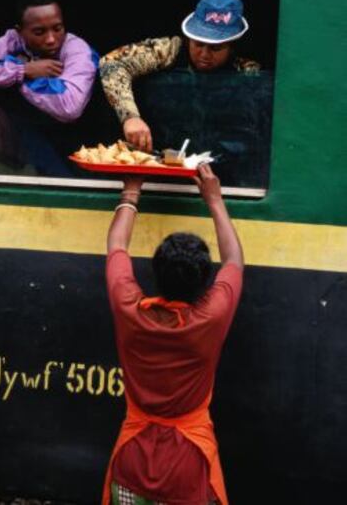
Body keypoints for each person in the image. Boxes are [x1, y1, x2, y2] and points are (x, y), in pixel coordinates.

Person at [104, 164, 244, 505]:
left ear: (154, 272)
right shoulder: (211, 317)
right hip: (188, 461)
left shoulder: (128, 308)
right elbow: (235, 260)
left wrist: (132, 188)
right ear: (204, 283)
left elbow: (116, 246)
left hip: (132, 457)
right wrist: (214, 199)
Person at [100, 0, 260, 152]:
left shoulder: (248, 72)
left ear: (232, 46)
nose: (204, 54)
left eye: (215, 48)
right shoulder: (169, 49)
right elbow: (111, 63)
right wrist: (130, 117)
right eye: (198, 44)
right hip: (157, 153)